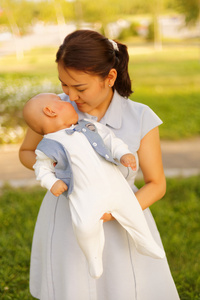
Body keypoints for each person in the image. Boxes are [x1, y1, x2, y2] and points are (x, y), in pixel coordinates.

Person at [19, 30, 180, 299]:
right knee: (73, 282)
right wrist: (52, 167)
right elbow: (26, 152)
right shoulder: (54, 111)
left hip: (120, 219)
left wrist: (117, 211)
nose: (69, 94)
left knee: (122, 284)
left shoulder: (140, 117)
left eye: (79, 87)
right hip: (69, 216)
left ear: (110, 78)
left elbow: (156, 183)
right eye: (63, 84)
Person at [23, 92, 165, 279]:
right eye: (61, 102)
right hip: (84, 195)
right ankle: (93, 256)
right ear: (50, 111)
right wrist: (53, 182)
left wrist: (123, 154)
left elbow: (111, 140)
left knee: (132, 212)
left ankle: (146, 241)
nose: (70, 100)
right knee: (85, 226)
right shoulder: (48, 146)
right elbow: (41, 168)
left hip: (115, 186)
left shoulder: (88, 127)